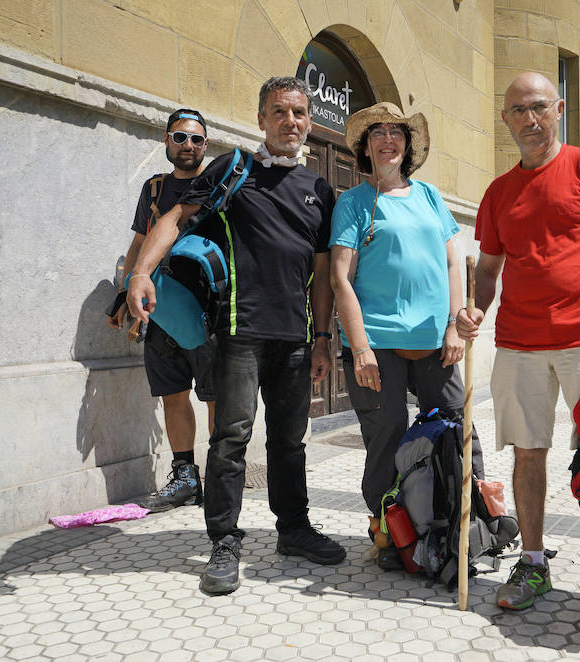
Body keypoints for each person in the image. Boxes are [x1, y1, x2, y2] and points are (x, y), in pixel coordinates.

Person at [127, 77, 345, 595]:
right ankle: (224, 538)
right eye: (279, 112)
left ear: (309, 122)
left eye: (298, 112)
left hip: (295, 338)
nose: (289, 121)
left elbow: (320, 270)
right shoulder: (234, 167)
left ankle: (292, 529)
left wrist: (322, 339)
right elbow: (177, 216)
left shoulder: (319, 189)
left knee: (290, 441)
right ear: (262, 120)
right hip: (238, 333)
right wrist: (140, 273)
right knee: (231, 440)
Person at [456, 72, 580, 617]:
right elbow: (489, 270)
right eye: (518, 110)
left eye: (539, 107)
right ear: (505, 120)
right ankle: (534, 561)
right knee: (527, 453)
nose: (530, 120)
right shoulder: (498, 193)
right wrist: (476, 307)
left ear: (559, 108)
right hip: (519, 343)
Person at [329, 103, 485, 568]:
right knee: (387, 434)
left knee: (459, 429)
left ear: (407, 144)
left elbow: (454, 261)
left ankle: (471, 522)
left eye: (396, 131)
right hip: (377, 342)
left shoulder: (430, 196)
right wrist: (359, 348)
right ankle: (387, 531)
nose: (387, 139)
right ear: (365, 147)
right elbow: (341, 277)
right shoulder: (353, 202)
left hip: (437, 341)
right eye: (377, 132)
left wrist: (456, 321)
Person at [107, 108, 215, 512]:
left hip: (207, 313)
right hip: (158, 310)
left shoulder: (216, 187)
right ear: (166, 141)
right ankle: (186, 477)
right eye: (180, 137)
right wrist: (123, 295)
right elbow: (139, 244)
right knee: (173, 394)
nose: (188, 145)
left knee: (214, 397)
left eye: (197, 139)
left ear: (206, 145)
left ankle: (219, 476)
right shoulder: (154, 188)